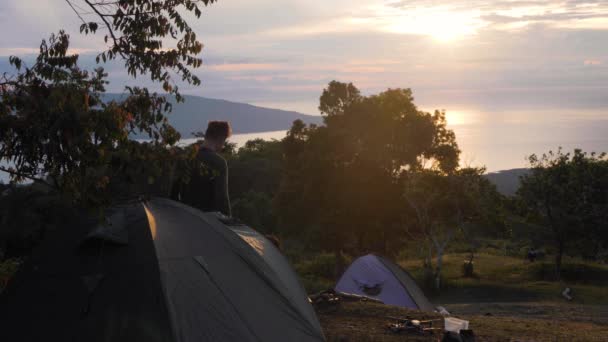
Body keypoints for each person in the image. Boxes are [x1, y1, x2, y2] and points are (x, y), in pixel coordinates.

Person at [172, 121, 232, 216]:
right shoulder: (219, 162)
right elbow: (222, 198)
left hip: (185, 216)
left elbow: (173, 191)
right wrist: (228, 221)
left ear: (207, 136)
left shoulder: (185, 158)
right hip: (209, 220)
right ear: (221, 139)